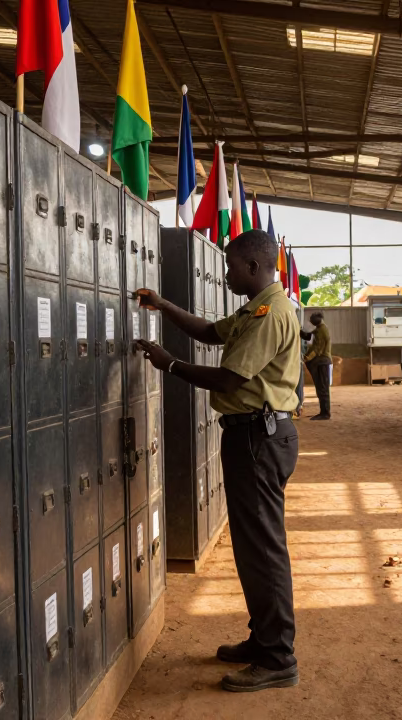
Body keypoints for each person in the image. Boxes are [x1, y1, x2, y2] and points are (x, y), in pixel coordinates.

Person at [134, 229, 300, 693]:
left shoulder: (270, 313)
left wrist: (169, 366)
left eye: (230, 266)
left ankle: (277, 657)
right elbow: (209, 333)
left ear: (253, 266)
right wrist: (164, 306)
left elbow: (228, 379)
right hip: (254, 436)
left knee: (264, 549)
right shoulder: (254, 308)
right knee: (254, 546)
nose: (225, 273)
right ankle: (264, 639)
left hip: (258, 439)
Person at [303, 311, 332, 420]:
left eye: (312, 320)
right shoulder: (319, 329)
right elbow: (309, 336)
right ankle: (323, 411)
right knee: (321, 388)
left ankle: (325, 413)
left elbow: (317, 349)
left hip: (322, 361)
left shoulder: (321, 330)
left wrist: (306, 358)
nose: (310, 321)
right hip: (321, 361)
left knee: (322, 388)